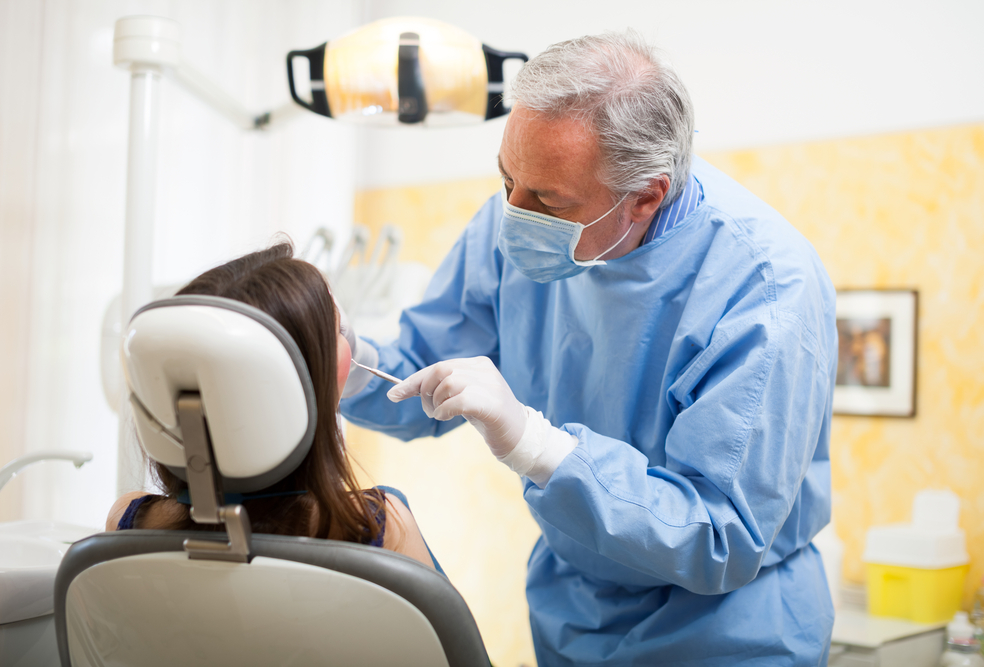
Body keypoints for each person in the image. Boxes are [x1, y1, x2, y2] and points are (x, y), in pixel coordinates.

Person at [340, 29, 838, 666]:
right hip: (573, 614)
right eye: (506, 179)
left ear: (646, 197)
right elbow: (425, 373)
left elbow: (719, 534)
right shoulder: (507, 225)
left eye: (548, 199)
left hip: (725, 632)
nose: (513, 212)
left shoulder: (762, 288)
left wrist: (536, 444)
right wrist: (351, 365)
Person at [106, 242, 440, 574]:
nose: (350, 344)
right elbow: (450, 628)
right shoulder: (378, 527)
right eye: (337, 331)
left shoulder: (128, 521)